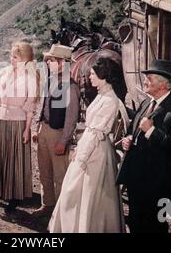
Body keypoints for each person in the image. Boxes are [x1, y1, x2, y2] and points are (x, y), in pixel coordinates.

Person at [48, 57, 127, 233]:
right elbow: (90, 130)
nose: (89, 77)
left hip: (96, 154)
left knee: (85, 194)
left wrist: (81, 158)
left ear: (103, 75)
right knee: (75, 193)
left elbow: (95, 133)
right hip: (89, 146)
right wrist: (79, 148)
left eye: (92, 74)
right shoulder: (102, 95)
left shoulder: (110, 101)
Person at [117, 60, 171, 233]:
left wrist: (151, 131)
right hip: (136, 179)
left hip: (160, 184)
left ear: (164, 84)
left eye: (149, 78)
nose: (145, 81)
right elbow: (131, 130)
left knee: (158, 225)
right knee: (135, 222)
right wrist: (128, 139)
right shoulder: (145, 104)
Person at [0, 41, 39, 213]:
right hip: (0, 118)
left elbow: (30, 105)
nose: (12, 60)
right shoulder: (5, 72)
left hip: (19, 122)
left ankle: (14, 196)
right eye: (12, 57)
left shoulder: (31, 76)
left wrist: (27, 129)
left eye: (16, 57)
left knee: (15, 158)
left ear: (26, 60)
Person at [31, 44, 80, 217]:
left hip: (58, 134)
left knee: (60, 175)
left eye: (51, 60)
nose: (47, 62)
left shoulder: (71, 87)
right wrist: (37, 128)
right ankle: (47, 205)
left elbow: (71, 117)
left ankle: (60, 212)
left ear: (62, 63)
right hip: (44, 130)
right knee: (44, 172)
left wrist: (64, 140)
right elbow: (44, 107)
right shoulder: (50, 80)